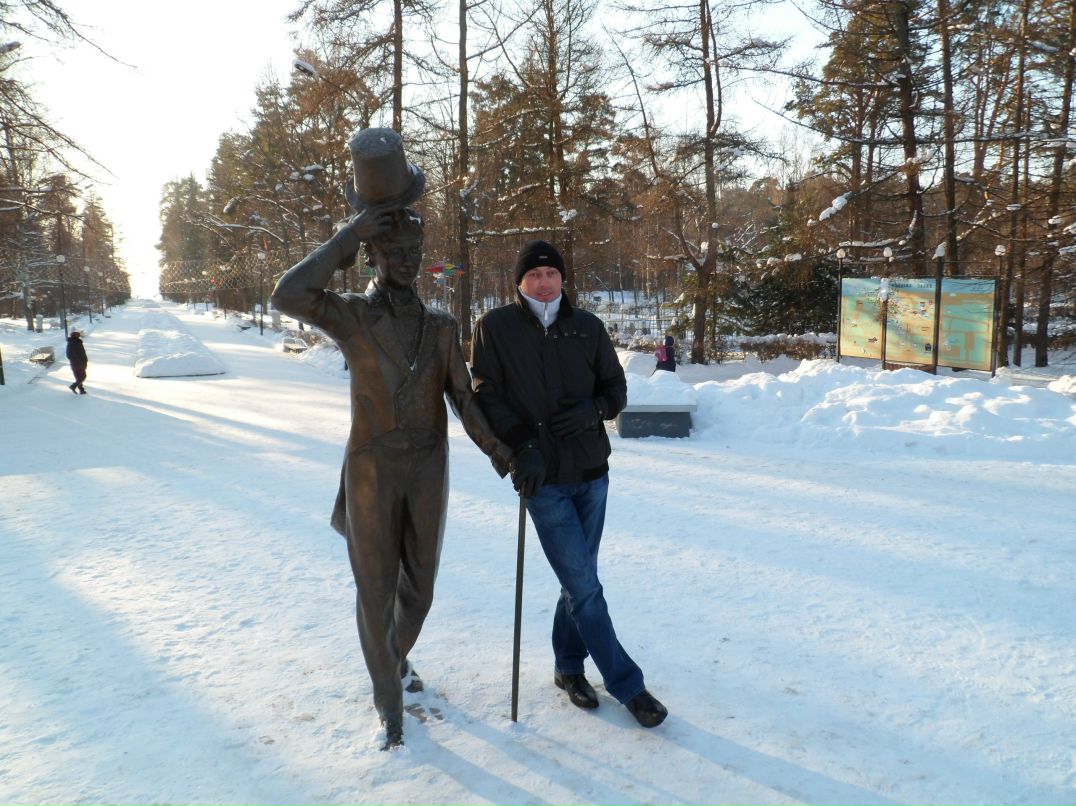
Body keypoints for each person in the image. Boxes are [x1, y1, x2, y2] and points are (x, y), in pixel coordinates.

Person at [271, 128, 511, 750]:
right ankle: (389, 705)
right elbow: (288, 293)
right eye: (395, 251)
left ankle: (390, 656)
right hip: (372, 470)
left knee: (420, 587)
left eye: (415, 250)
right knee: (374, 588)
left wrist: (502, 451)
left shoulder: (441, 326)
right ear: (374, 255)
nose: (407, 261)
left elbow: (464, 399)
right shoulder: (351, 317)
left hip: (429, 466)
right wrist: (350, 233)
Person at [470, 239, 668, 729]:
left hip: (592, 474)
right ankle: (628, 686)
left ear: (563, 280)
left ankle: (568, 668)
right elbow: (485, 396)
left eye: (551, 274)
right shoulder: (494, 329)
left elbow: (616, 390)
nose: (543, 282)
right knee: (585, 586)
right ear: (519, 282)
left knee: (578, 581)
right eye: (533, 275)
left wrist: (594, 411)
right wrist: (521, 445)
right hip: (543, 480)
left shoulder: (588, 328)